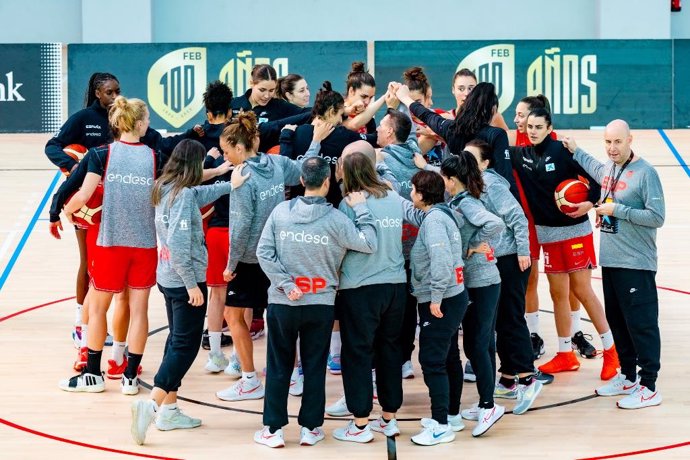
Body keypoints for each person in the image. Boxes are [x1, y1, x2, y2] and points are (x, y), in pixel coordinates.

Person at [129, 139, 248, 445]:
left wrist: (227, 181)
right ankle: (152, 404)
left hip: (167, 278)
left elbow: (200, 192)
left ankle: (169, 411)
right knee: (185, 346)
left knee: (175, 340)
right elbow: (181, 246)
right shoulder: (181, 197)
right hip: (184, 282)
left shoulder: (165, 186)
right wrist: (193, 285)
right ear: (193, 166)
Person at [254, 156, 378, 448]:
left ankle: (273, 431)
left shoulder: (281, 212)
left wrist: (286, 284)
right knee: (313, 366)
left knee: (279, 365)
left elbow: (263, 253)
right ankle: (310, 428)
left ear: (300, 181)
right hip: (320, 306)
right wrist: (362, 210)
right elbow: (369, 243)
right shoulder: (337, 219)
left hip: (283, 303)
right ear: (327, 183)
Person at [58, 96, 166, 394]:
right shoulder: (156, 156)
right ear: (140, 123)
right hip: (144, 244)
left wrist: (67, 211)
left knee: (98, 308)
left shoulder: (101, 153)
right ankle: (130, 377)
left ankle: (93, 375)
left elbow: (83, 195)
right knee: (140, 310)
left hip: (110, 243)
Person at [510, 108, 619, 380]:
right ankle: (565, 354)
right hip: (548, 236)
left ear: (549, 128)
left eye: (538, 126)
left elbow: (598, 181)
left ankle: (612, 352)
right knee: (558, 294)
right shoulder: (520, 155)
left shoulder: (562, 151)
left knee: (582, 291)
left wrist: (589, 203)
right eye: (529, 126)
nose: (532, 130)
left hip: (575, 233)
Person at [562, 120, 665, 409]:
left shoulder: (646, 173)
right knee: (619, 323)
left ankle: (649, 386)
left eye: (617, 142)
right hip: (612, 261)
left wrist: (617, 210)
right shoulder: (609, 167)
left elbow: (657, 217)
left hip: (636, 263)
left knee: (641, 326)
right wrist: (576, 150)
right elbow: (596, 168)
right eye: (607, 142)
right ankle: (628, 376)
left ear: (630, 140)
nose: (612, 148)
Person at [215, 112, 316, 402]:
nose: (225, 157)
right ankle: (295, 375)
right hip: (280, 255)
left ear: (238, 147)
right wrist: (316, 143)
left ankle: (249, 381)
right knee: (279, 318)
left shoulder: (242, 178)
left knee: (233, 316)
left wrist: (230, 265)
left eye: (226, 151)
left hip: (249, 259)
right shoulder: (275, 163)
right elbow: (302, 169)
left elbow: (241, 226)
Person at [462, 139, 544, 413]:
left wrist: (523, 251)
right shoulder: (472, 183)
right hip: (496, 260)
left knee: (510, 319)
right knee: (499, 319)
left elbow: (518, 218)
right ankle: (508, 378)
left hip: (510, 260)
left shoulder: (491, 184)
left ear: (485, 163)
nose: (468, 162)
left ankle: (528, 377)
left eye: (473, 159)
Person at [512, 95, 596, 361]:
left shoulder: (558, 146)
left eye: (522, 115)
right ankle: (534, 335)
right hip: (526, 221)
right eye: (517, 115)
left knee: (571, 284)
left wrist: (588, 202)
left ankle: (576, 332)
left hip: (557, 223)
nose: (519, 120)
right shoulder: (513, 144)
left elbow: (587, 180)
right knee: (532, 280)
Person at [330, 152, 406, 443]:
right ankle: (389, 418)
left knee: (357, 354)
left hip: (360, 289)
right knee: (389, 351)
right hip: (395, 286)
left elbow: (346, 246)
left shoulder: (348, 204)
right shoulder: (391, 195)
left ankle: (360, 424)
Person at [45, 72, 120, 353]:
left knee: (109, 264)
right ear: (98, 93)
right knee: (88, 261)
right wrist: (72, 166)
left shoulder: (120, 117)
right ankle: (81, 323)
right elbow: (51, 145)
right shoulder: (82, 118)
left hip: (116, 199)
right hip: (87, 202)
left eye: (117, 91)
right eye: (109, 92)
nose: (115, 97)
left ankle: (99, 323)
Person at [398, 170, 468, 446]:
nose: (410, 194)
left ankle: (440, 425)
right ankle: (451, 415)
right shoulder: (440, 213)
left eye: (413, 190)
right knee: (449, 356)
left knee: (432, 361)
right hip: (452, 296)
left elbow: (441, 262)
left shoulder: (435, 222)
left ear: (422, 195)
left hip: (442, 300)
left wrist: (436, 298)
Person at [396, 82, 518, 200]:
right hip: (484, 202)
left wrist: (405, 98)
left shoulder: (450, 128)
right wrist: (518, 211)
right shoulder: (497, 135)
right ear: (493, 110)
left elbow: (427, 115)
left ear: (467, 105)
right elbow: (505, 176)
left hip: (455, 201)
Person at [376, 109, 422, 379]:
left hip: (393, 249)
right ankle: (405, 359)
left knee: (392, 310)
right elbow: (412, 137)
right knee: (410, 308)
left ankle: (392, 360)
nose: (378, 130)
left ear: (391, 132)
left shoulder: (381, 160)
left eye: (382, 125)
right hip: (417, 248)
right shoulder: (415, 155)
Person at [279, 81, 379, 206]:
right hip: (333, 208)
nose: (340, 120)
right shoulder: (343, 135)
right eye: (340, 115)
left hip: (297, 208)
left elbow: (285, 167)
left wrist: (285, 136)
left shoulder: (294, 133)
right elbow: (375, 139)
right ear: (331, 111)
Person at [230, 64, 308, 152]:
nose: (267, 96)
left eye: (271, 90)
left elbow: (307, 113)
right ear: (251, 83)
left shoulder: (279, 106)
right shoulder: (232, 104)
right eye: (262, 90)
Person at [446, 68, 510, 133]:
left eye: (471, 88)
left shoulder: (492, 117)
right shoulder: (445, 118)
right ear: (453, 90)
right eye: (461, 89)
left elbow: (508, 139)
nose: (466, 93)